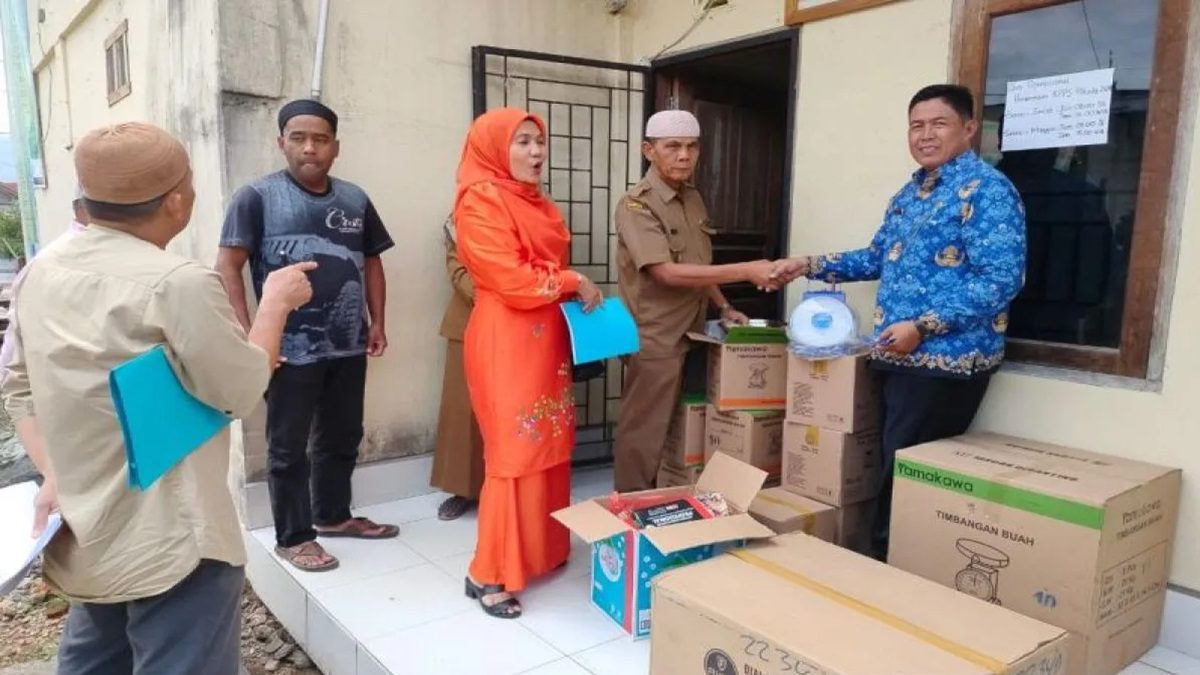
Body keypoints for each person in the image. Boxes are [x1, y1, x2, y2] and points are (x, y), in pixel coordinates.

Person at [1, 122, 315, 674]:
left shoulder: (41, 271)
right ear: (176, 201)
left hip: (87, 524)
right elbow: (240, 390)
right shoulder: (177, 283)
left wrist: (55, 474)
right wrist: (275, 304)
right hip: (174, 536)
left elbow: (19, 388)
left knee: (94, 660)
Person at [772, 84, 1026, 559]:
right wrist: (808, 265)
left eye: (939, 124)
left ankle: (892, 570)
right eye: (916, 125)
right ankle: (885, 564)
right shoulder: (910, 194)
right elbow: (876, 257)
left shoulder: (989, 191)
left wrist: (923, 326)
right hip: (897, 356)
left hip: (944, 364)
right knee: (893, 469)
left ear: (969, 129)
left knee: (911, 481)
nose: (925, 135)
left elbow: (1000, 279)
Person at [216, 99, 398, 573]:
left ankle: (333, 516)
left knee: (342, 434)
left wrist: (377, 320)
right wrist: (248, 336)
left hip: (348, 343)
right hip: (286, 351)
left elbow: (372, 261)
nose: (310, 148)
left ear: (336, 146)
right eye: (298, 138)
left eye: (320, 139)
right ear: (282, 143)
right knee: (288, 446)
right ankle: (294, 537)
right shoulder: (256, 198)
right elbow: (228, 267)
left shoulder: (355, 200)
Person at [453, 107, 604, 618]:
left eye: (539, 141)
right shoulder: (480, 200)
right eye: (521, 142)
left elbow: (542, 269)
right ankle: (489, 572)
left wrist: (565, 285)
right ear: (495, 148)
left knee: (547, 443)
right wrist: (573, 281)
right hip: (507, 339)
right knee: (513, 454)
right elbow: (512, 279)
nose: (536, 151)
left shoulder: (536, 201)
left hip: (545, 339)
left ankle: (540, 551)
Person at [611, 109, 781, 492]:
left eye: (692, 146)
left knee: (683, 422)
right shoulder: (636, 205)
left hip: (694, 329)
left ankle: (669, 495)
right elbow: (666, 273)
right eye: (673, 146)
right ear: (649, 150)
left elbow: (698, 266)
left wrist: (724, 307)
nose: (684, 155)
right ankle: (628, 507)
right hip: (654, 335)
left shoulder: (693, 199)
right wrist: (746, 270)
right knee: (644, 429)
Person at [429, 214, 485, 520]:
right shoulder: (464, 215)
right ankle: (463, 490)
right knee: (463, 411)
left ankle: (507, 489)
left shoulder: (534, 211)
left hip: (522, 327)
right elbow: (459, 270)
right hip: (470, 322)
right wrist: (502, 295)